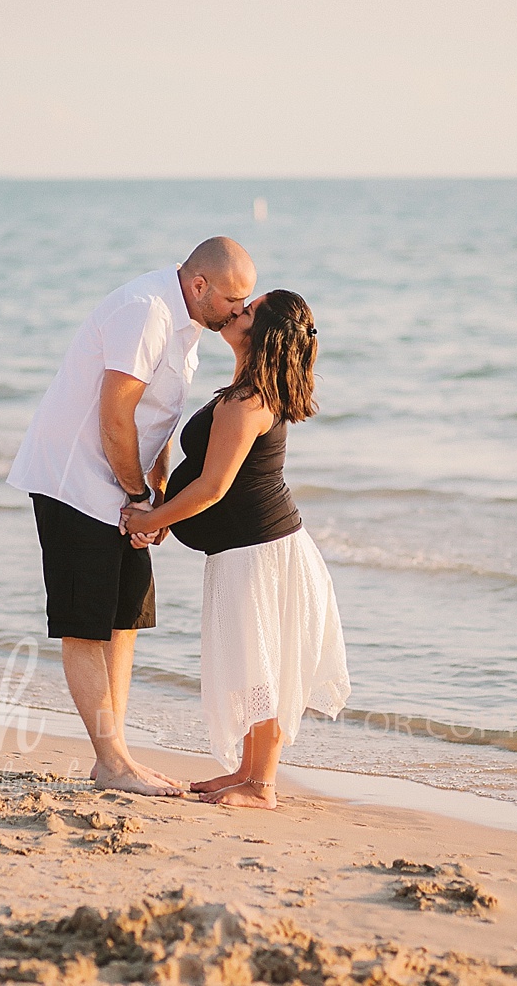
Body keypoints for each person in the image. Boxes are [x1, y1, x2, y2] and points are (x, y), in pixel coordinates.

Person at [8, 237, 256, 796]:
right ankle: (113, 762)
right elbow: (115, 409)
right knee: (85, 624)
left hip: (125, 488)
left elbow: (158, 417)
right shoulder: (146, 312)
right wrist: (138, 495)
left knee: (124, 618)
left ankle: (112, 757)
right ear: (200, 287)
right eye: (235, 301)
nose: (242, 312)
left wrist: (158, 495)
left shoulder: (189, 324)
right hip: (74, 482)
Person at [122, 290, 351, 809]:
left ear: (262, 333)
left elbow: (212, 487)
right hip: (251, 551)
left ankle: (262, 786)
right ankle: (246, 773)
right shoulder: (251, 392)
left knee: (261, 666)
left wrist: (152, 518)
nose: (236, 308)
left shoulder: (248, 402)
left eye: (248, 310)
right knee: (253, 663)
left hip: (260, 554)